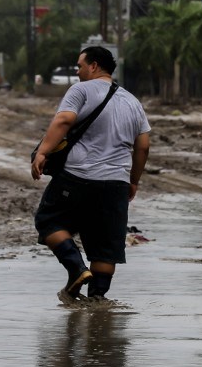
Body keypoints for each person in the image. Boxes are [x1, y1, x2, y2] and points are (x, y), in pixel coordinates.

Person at [31, 46, 151, 303]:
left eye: (80, 66)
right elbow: (143, 146)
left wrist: (42, 152)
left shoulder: (80, 90)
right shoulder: (133, 101)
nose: (77, 71)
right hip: (116, 184)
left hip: (77, 176)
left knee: (48, 220)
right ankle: (97, 300)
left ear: (94, 66)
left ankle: (76, 268)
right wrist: (133, 181)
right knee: (105, 247)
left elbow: (64, 120)